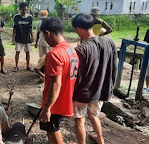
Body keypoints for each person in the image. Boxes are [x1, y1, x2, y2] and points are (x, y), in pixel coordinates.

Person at [72, 13, 117, 144]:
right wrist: (109, 90)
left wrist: (72, 94)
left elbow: (76, 75)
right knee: (94, 115)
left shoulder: (81, 49)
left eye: (75, 30)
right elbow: (114, 68)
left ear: (79, 29)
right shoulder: (110, 43)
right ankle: (100, 139)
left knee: (80, 119)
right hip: (100, 90)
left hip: (82, 93)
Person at [38, 18, 79, 144]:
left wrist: (47, 108)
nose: (45, 40)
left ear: (47, 33)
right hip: (65, 98)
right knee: (53, 129)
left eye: (44, 36)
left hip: (56, 102)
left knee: (53, 129)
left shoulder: (54, 54)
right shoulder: (70, 49)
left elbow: (56, 84)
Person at [12, 2, 34, 72]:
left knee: (27, 52)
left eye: (25, 9)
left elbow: (31, 28)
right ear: (20, 9)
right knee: (17, 52)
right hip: (18, 38)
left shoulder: (30, 17)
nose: (24, 10)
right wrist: (13, 39)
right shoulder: (16, 17)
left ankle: (28, 66)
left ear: (27, 9)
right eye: (23, 9)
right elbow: (14, 29)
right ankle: (16, 66)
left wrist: (32, 38)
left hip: (27, 38)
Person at [34, 10, 52, 79]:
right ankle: (42, 71)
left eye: (44, 17)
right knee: (42, 57)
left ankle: (48, 71)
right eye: (42, 18)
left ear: (47, 16)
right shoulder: (39, 23)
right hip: (42, 42)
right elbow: (38, 33)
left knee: (49, 57)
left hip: (49, 43)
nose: (43, 19)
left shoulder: (50, 23)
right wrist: (36, 42)